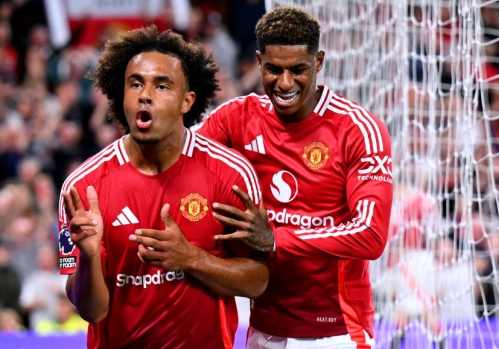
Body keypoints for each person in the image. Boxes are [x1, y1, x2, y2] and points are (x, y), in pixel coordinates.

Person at [57, 25, 268, 349]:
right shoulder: (82, 187)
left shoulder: (230, 174)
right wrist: (88, 258)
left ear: (187, 101)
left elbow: (258, 282)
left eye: (162, 86)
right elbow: (93, 312)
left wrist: (191, 258)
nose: (145, 94)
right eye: (136, 83)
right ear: (120, 93)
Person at [197, 6, 394, 349]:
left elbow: (371, 235)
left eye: (297, 70)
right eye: (273, 69)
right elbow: (180, 158)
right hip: (263, 327)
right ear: (258, 62)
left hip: (336, 333)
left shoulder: (359, 129)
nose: (285, 83)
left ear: (318, 62)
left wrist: (276, 239)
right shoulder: (235, 119)